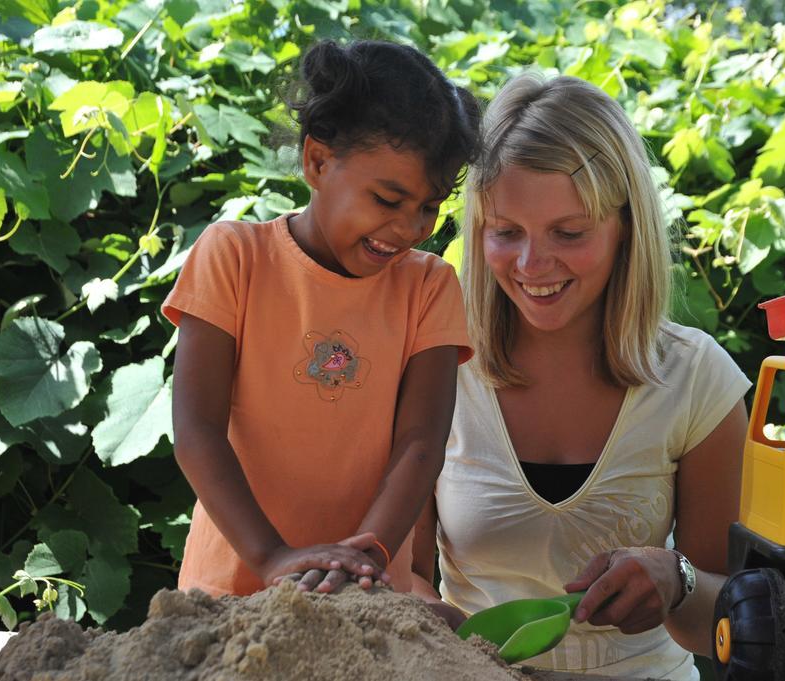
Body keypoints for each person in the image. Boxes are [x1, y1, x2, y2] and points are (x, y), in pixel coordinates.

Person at [411, 73, 750, 680]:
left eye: (569, 233)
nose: (531, 265)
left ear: (627, 227)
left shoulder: (697, 378)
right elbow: (402, 574)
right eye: (505, 232)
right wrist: (439, 631)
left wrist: (676, 581)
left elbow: (717, 624)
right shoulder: (438, 362)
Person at [162, 39, 480, 598]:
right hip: (228, 595)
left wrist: (369, 557)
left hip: (370, 598)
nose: (410, 229)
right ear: (316, 161)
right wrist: (272, 557)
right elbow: (196, 431)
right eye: (387, 199)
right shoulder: (233, 257)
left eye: (429, 207)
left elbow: (421, 443)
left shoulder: (429, 287)